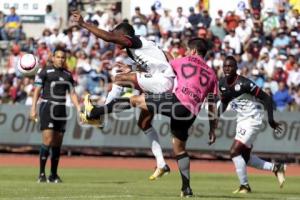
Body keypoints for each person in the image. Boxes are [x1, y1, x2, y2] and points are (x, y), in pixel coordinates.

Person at [82, 38, 218, 197]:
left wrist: (131, 67)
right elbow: (212, 104)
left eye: (188, 50)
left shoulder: (184, 61)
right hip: (191, 112)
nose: (187, 52)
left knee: (135, 100)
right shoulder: (212, 73)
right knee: (179, 149)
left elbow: (156, 67)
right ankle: (186, 188)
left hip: (178, 102)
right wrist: (212, 128)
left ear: (193, 51)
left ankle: (94, 113)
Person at [72, 11, 174, 180]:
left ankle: (100, 115)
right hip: (162, 81)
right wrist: (133, 71)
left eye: (116, 34)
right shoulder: (141, 46)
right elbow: (163, 59)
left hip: (163, 82)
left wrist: (84, 24)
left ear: (124, 35)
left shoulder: (134, 40)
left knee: (119, 79)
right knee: (144, 123)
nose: (114, 38)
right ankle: (162, 163)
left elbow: (108, 37)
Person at [218, 56, 286, 194]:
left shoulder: (244, 83)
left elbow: (266, 98)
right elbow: (225, 100)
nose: (227, 68)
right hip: (241, 121)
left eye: (230, 66)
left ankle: (245, 186)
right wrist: (217, 115)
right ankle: (277, 168)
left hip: (253, 120)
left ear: (236, 68)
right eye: (225, 66)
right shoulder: (222, 83)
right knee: (245, 158)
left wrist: (271, 120)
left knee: (234, 151)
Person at [30, 47, 81, 183]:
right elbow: (37, 91)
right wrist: (33, 109)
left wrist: (78, 107)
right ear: (53, 58)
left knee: (58, 143)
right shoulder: (44, 71)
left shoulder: (68, 74)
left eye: (63, 57)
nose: (60, 59)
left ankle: (53, 175)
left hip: (61, 109)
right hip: (48, 106)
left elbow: (72, 93)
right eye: (58, 57)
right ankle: (41, 174)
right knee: (48, 140)